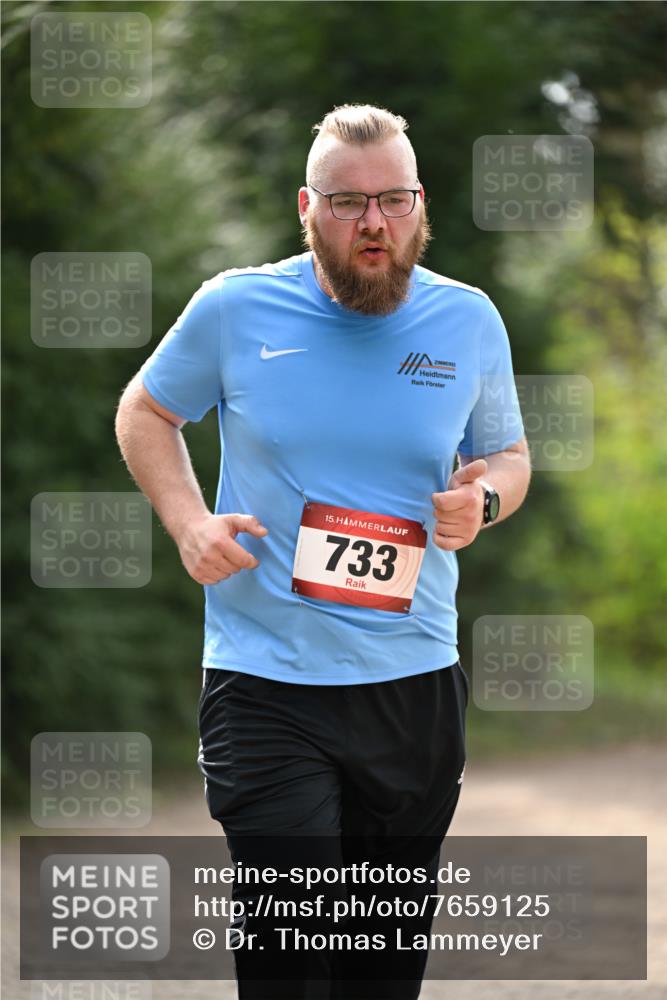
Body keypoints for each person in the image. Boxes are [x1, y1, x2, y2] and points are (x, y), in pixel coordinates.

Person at [115, 103, 531, 1000]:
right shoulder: (235, 307)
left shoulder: (469, 321)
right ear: (307, 207)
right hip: (265, 686)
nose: (373, 222)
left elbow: (507, 453)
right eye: (348, 203)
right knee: (292, 961)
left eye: (394, 199)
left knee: (380, 973)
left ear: (420, 204)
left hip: (412, 683)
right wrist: (190, 523)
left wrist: (484, 498)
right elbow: (146, 410)